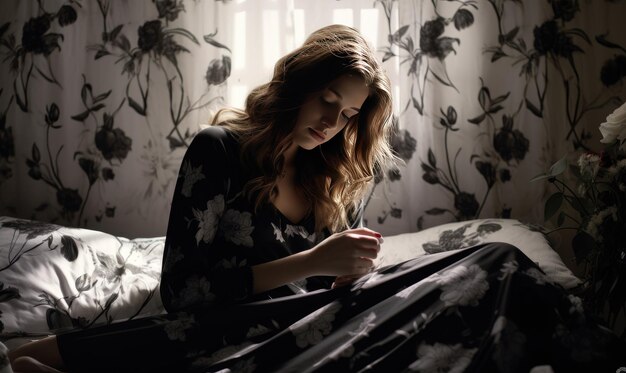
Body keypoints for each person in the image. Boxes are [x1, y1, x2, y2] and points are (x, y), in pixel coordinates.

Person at [7, 24, 399, 372]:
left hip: (299, 332)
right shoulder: (220, 151)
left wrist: (352, 272)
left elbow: (327, 291)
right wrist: (311, 261)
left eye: (348, 114)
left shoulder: (339, 180)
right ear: (299, 84)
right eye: (327, 100)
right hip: (216, 325)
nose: (332, 123)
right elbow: (183, 292)